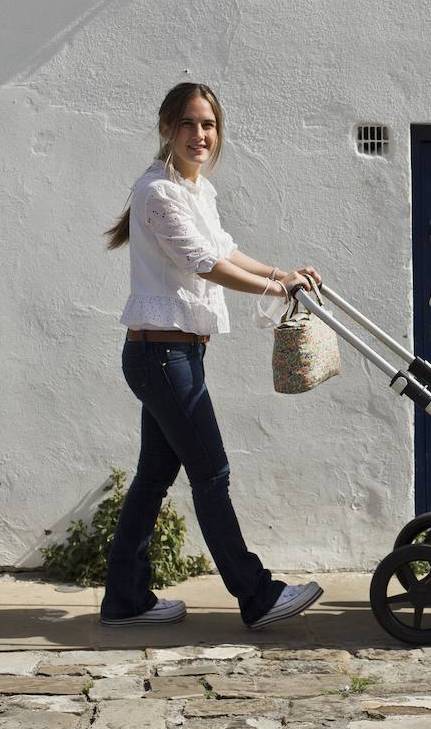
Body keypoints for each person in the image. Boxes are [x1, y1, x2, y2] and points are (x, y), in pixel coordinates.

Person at [100, 82, 322, 630]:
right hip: (161, 356)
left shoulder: (198, 190)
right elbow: (202, 262)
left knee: (154, 476)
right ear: (166, 130)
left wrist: (280, 272)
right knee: (212, 472)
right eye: (189, 124)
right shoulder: (158, 193)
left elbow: (223, 247)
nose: (201, 135)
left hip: (176, 355)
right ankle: (256, 594)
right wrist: (275, 291)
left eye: (209, 125)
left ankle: (125, 600)